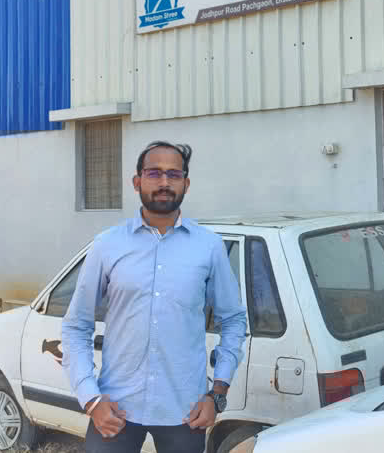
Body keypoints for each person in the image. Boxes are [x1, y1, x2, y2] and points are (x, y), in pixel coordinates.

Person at [61, 141, 247, 453]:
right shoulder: (107, 245)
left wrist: (217, 394)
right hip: (115, 408)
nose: (164, 182)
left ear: (186, 183)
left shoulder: (209, 247)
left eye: (174, 174)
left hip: (185, 412)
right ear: (137, 182)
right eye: (154, 173)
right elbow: (76, 326)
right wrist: (90, 399)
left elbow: (233, 320)